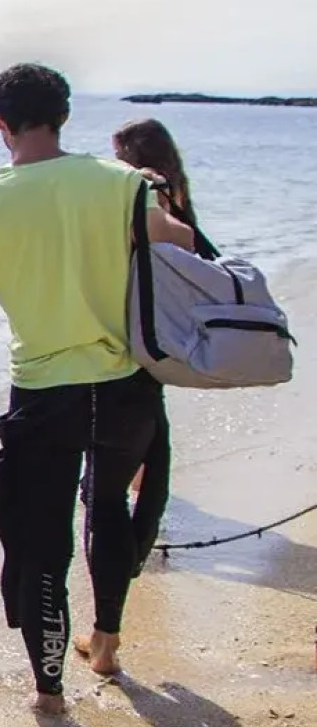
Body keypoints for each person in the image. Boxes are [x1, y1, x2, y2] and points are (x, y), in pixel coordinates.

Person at [0, 64, 192, 715]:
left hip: (44, 394)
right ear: (62, 115)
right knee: (111, 511)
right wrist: (157, 203)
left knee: (43, 543)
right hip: (126, 388)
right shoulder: (121, 183)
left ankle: (50, 689)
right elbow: (179, 246)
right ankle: (109, 641)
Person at [106, 118, 199, 576]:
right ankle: (132, 510)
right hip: (163, 327)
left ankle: (122, 535)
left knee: (128, 427)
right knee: (147, 422)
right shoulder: (176, 192)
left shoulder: (144, 196)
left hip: (135, 325)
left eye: (118, 153)